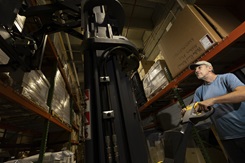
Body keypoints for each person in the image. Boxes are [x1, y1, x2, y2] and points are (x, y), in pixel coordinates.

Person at [185, 60, 245, 163]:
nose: (196, 71)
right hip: (226, 138)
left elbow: (243, 93)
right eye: (195, 70)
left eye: (199, 67)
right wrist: (186, 111)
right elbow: (194, 108)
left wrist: (213, 100)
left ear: (210, 68)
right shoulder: (199, 91)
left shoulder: (226, 78)